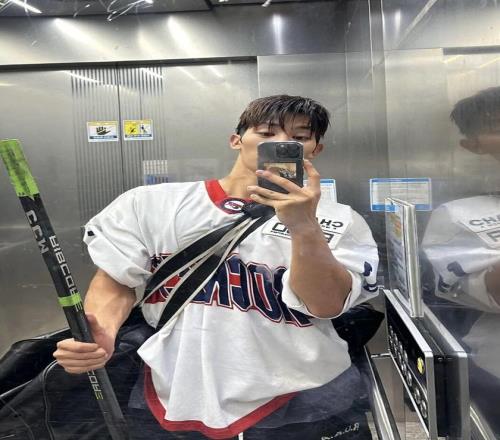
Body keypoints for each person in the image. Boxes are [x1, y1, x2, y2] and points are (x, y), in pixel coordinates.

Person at [54, 95, 379, 439]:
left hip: (303, 397)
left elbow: (326, 304)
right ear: (236, 140)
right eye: (267, 133)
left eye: (299, 137)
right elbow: (117, 278)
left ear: (315, 150)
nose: (282, 143)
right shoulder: (152, 204)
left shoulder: (339, 221)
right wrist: (103, 331)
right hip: (172, 389)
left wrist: (304, 227)